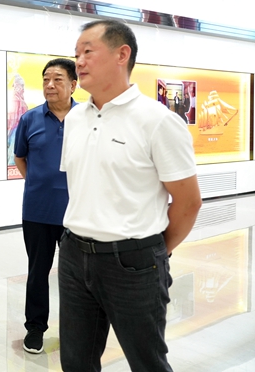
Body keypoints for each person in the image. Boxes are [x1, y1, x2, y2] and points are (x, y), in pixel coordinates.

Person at [60, 19, 202, 371]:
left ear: (122, 54)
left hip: (133, 262)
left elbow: (188, 202)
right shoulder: (75, 118)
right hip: (74, 255)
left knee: (147, 362)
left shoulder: (157, 120)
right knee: (75, 362)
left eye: (88, 52)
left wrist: (153, 250)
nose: (79, 61)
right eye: (76, 54)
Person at [13, 58, 78, 354]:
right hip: (37, 211)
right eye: (46, 79)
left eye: (58, 79)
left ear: (73, 85)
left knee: (76, 275)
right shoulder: (29, 119)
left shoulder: (87, 118)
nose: (50, 85)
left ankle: (75, 328)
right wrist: (37, 182)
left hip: (77, 212)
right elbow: (20, 157)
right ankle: (35, 328)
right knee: (38, 272)